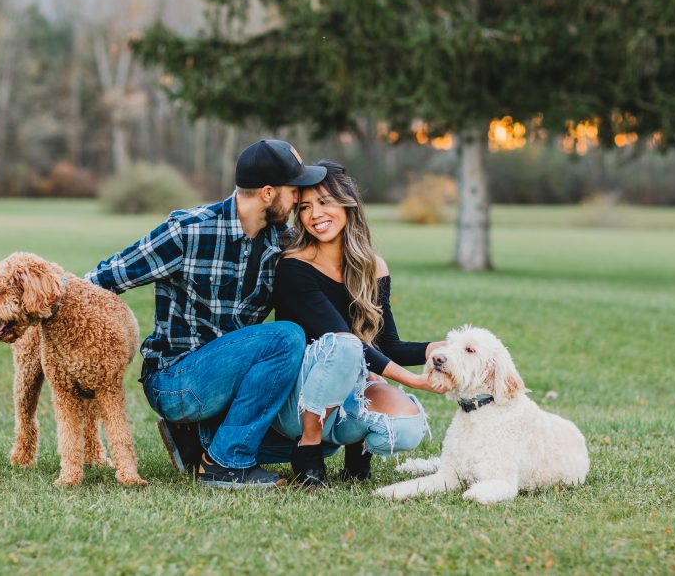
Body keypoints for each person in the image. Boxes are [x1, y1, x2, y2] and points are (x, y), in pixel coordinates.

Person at [84, 140, 326, 488]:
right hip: (175, 380)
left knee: (326, 443)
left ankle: (198, 442)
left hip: (227, 382)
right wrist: (40, 305)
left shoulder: (282, 242)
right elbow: (104, 278)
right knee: (286, 337)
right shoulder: (188, 230)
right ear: (269, 193)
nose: (298, 200)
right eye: (294, 191)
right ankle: (227, 464)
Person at [265, 161, 448, 486]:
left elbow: (386, 345)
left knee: (406, 429)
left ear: (347, 203)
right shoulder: (293, 267)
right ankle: (308, 452)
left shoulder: (372, 266)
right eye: (305, 207)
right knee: (345, 345)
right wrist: (412, 380)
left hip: (345, 400)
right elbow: (345, 340)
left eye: (324, 202)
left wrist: (433, 350)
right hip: (297, 401)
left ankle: (357, 447)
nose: (315, 214)